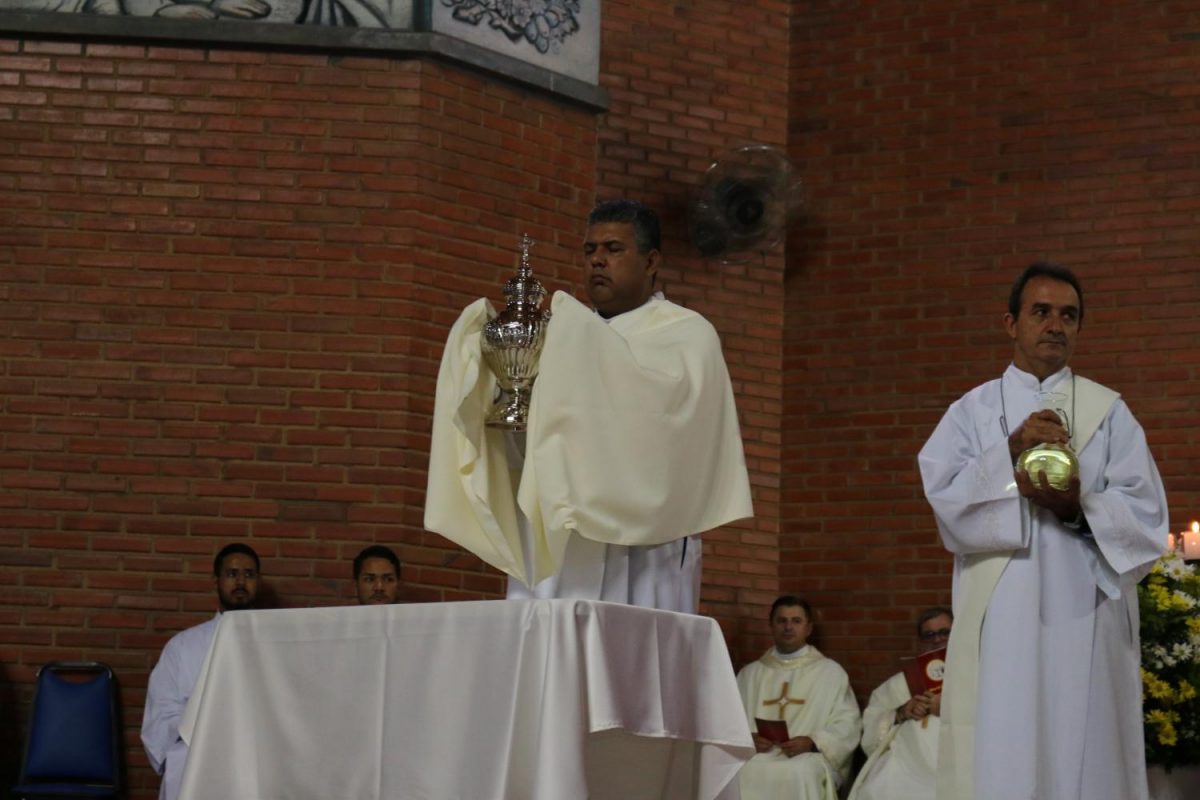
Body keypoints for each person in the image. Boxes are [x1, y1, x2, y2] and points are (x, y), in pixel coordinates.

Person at [424, 200, 753, 612]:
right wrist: (499, 386)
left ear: (651, 261)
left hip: (644, 545)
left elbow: (665, 428)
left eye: (613, 249)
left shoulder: (687, 334)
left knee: (635, 650)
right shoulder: (558, 335)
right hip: (561, 538)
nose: (597, 260)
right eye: (589, 250)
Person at [918, 262, 1169, 800]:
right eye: (1041, 312)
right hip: (1002, 611)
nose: (1055, 325)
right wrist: (1009, 452)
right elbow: (945, 499)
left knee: (1087, 747)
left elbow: (1146, 516)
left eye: (1068, 316)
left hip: (1087, 609)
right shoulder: (971, 411)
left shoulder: (1110, 413)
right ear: (1011, 323)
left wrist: (1077, 508)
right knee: (1003, 743)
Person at [141, 543, 261, 800]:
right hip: (198, 753)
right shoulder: (183, 646)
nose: (241, 582)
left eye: (249, 575)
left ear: (257, 582)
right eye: (232, 574)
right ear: (216, 580)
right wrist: (206, 727)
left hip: (258, 754)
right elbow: (161, 714)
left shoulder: (274, 643)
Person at [735, 595, 861, 800]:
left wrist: (812, 741)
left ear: (808, 628)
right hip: (758, 754)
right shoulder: (749, 674)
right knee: (739, 770)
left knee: (799, 772)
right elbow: (729, 723)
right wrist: (748, 739)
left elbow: (848, 724)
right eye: (781, 621)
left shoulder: (830, 673)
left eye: (796, 621)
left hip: (806, 756)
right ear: (771, 626)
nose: (788, 627)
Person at [847, 607, 953, 800]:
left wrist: (948, 708)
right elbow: (871, 729)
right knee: (876, 790)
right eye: (929, 635)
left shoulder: (976, 677)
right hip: (906, 763)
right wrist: (900, 713)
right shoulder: (900, 683)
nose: (937, 639)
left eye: (945, 632)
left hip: (955, 760)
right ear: (920, 642)